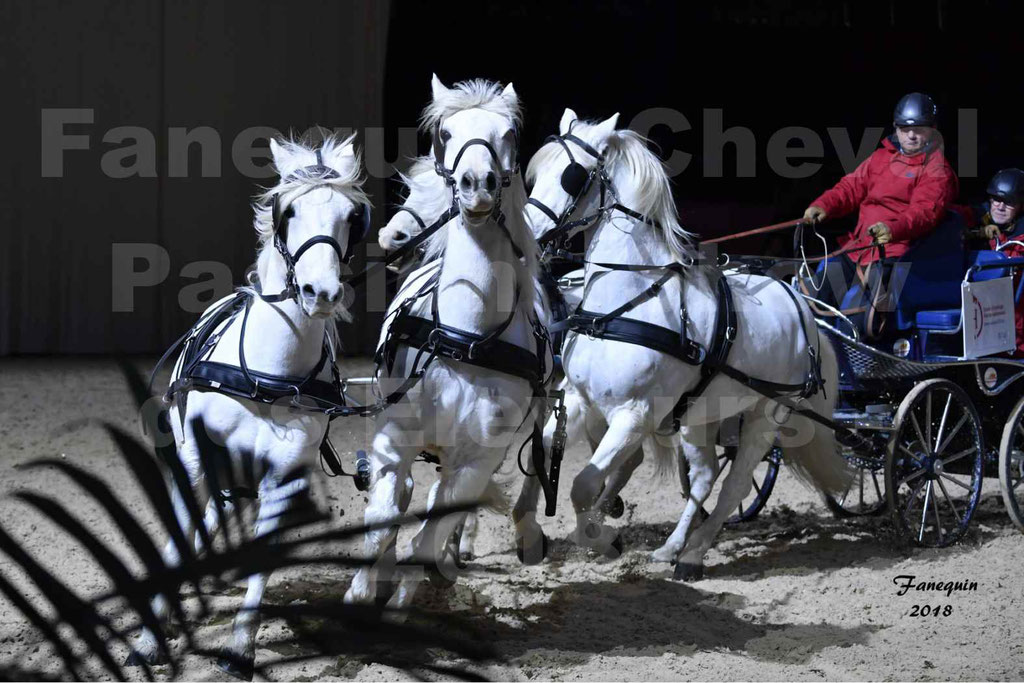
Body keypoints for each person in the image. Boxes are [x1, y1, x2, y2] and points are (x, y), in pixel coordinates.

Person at [801, 92, 959, 336]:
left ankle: (853, 367)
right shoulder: (881, 157)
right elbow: (851, 187)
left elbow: (924, 212)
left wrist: (892, 229)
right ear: (896, 128)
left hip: (895, 252)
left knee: (856, 318)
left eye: (919, 128)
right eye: (905, 129)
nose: (912, 135)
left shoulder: (937, 170)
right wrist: (824, 205)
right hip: (857, 247)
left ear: (933, 130)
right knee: (812, 303)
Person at [965, 168, 1024, 356]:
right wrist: (973, 233)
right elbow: (950, 212)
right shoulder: (983, 221)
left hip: (1015, 325)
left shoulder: (1020, 238)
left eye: (1009, 202)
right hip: (981, 317)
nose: (1000, 206)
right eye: (996, 200)